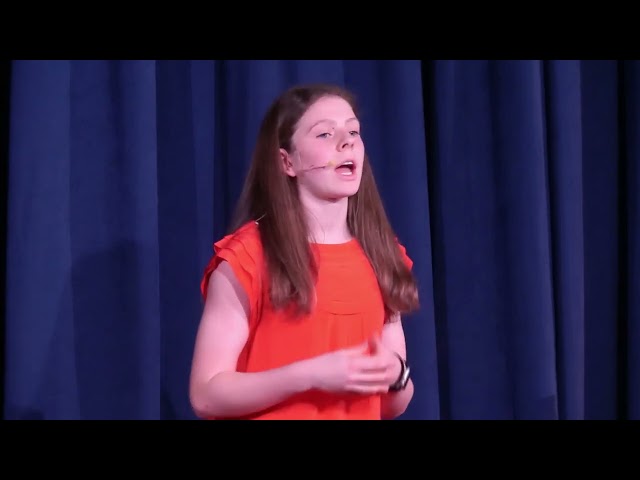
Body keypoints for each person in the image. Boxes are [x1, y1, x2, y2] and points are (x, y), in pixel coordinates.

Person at [189, 83, 420, 420]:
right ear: (287, 162)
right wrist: (310, 375)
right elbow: (206, 395)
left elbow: (389, 406)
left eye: (353, 132)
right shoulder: (247, 257)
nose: (347, 142)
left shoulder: (384, 256)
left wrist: (397, 374)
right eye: (325, 134)